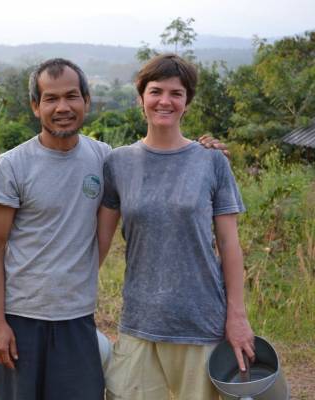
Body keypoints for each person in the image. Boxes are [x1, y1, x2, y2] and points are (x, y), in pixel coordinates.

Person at [0, 57, 227, 400]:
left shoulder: (106, 159)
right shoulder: (13, 165)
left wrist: (203, 152)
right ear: (35, 107)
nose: (62, 107)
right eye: (51, 99)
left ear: (87, 101)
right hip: (22, 317)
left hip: (78, 316)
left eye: (71, 96)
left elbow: (155, 159)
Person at [97, 53, 254, 400]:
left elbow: (230, 245)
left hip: (199, 322)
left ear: (187, 103)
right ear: (141, 98)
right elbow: (99, 245)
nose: (164, 101)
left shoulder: (211, 162)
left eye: (176, 93)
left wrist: (237, 317)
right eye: (155, 91)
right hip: (139, 320)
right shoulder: (118, 163)